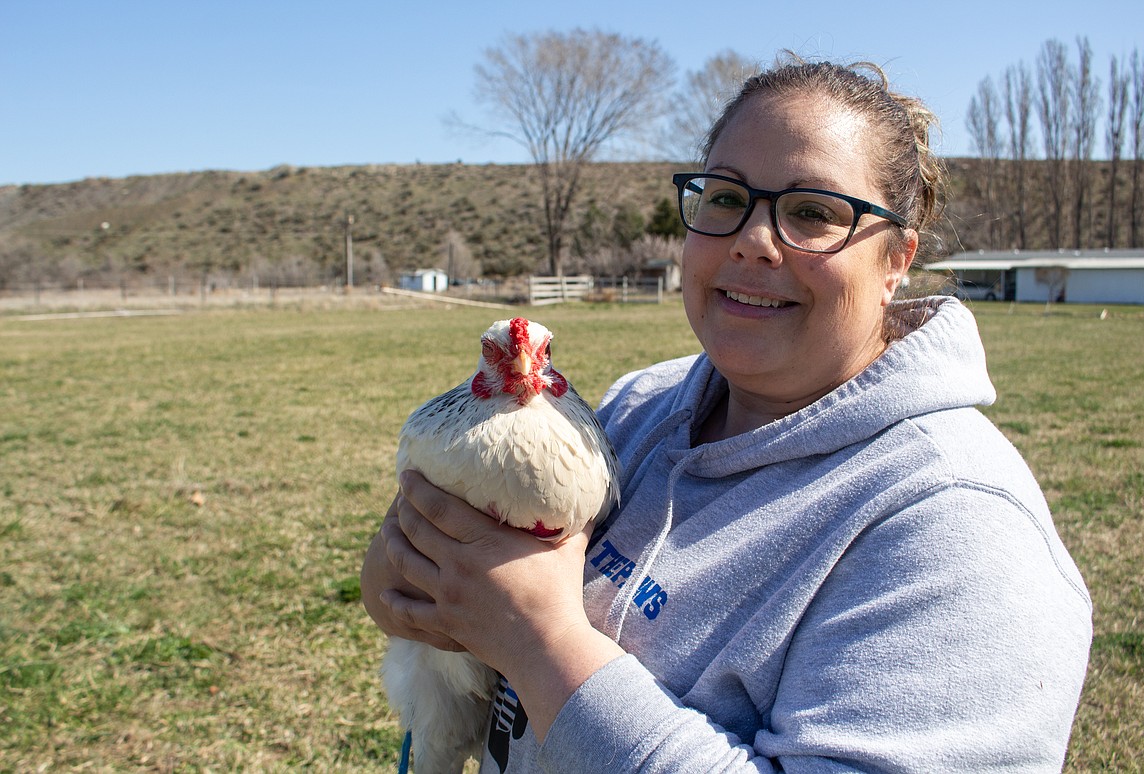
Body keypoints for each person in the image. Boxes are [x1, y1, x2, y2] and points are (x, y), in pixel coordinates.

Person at [362, 54, 1092, 773]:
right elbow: (431, 591)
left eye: (812, 213)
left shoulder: (960, 531)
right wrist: (410, 581)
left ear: (897, 258)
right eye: (724, 198)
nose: (752, 238)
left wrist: (539, 640)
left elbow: (525, 625)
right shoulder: (635, 409)